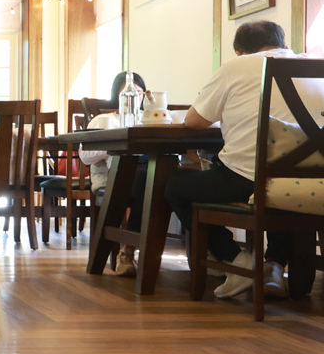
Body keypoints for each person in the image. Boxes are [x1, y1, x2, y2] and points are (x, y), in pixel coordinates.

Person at [164, 20, 321, 299]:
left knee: (176, 186)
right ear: (285, 45)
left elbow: (194, 121)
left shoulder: (236, 67)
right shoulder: (314, 66)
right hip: (311, 182)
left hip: (247, 180)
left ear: (239, 52)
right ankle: (273, 265)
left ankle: (237, 260)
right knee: (279, 181)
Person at [79, 71, 148, 276]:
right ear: (117, 96)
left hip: (148, 171)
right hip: (117, 176)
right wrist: (115, 145)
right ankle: (128, 252)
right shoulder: (104, 120)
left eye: (139, 93)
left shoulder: (149, 120)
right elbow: (84, 155)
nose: (133, 98)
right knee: (146, 181)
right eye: (127, 93)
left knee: (163, 183)